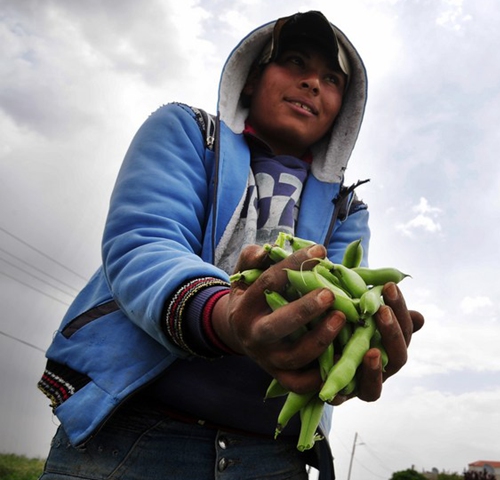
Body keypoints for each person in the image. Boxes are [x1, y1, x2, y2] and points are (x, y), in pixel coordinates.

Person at [36, 10, 424, 480]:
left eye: (330, 79)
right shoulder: (187, 133)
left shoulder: (348, 210)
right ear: (251, 78)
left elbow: (338, 315)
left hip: (272, 457)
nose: (312, 83)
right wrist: (226, 316)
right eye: (295, 62)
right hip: (134, 433)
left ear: (344, 109)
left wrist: (346, 357)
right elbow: (143, 243)